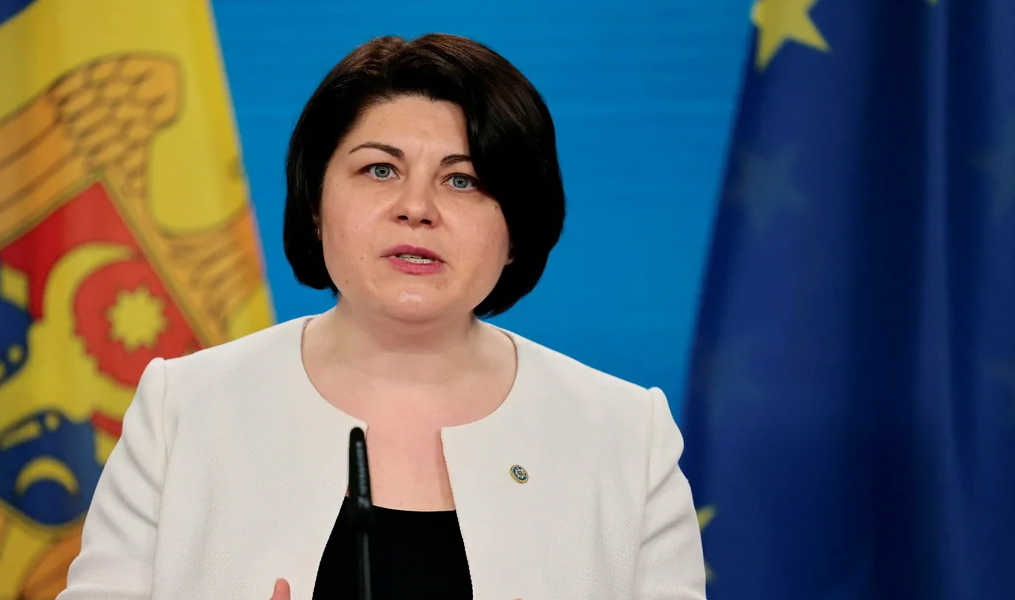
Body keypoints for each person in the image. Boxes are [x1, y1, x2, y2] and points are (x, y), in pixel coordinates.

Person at [59, 33, 706, 600]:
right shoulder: (184, 410)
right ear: (315, 204)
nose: (416, 208)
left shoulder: (626, 439)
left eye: (462, 180)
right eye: (379, 169)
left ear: (517, 230)